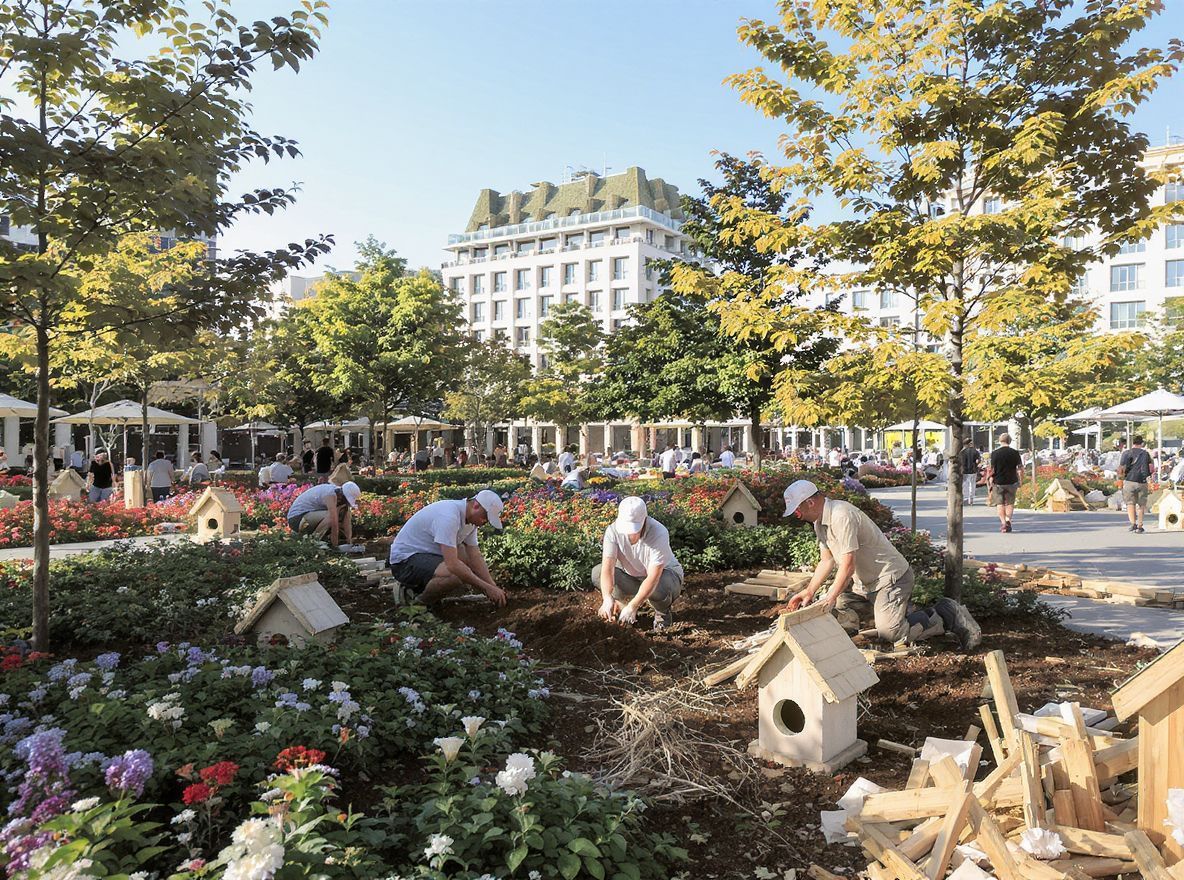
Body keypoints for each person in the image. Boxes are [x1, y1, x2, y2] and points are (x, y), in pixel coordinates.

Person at [781, 480, 981, 649]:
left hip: (891, 579)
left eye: (797, 513)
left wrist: (830, 597)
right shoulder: (819, 523)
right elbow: (827, 560)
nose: (798, 518)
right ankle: (901, 612)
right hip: (867, 584)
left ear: (810, 502)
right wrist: (809, 592)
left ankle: (945, 614)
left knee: (892, 634)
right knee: (842, 608)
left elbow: (848, 566)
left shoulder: (841, 515)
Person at [387, 490, 507, 606]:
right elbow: (453, 565)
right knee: (455, 575)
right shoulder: (449, 516)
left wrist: (493, 587)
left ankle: (424, 589)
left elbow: (474, 556)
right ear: (476, 506)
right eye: (484, 517)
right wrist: (485, 588)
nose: (484, 522)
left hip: (427, 555)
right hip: (404, 562)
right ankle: (418, 603)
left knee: (464, 555)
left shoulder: (470, 521)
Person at [593, 496, 684, 631]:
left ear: (644, 519)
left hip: (666, 578)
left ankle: (662, 614)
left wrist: (633, 606)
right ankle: (623, 606)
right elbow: (608, 568)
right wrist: (607, 598)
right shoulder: (613, 531)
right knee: (597, 573)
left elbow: (653, 577)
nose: (630, 534)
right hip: (633, 577)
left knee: (659, 587)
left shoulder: (658, 532)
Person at [286, 480, 362, 549]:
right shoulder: (330, 495)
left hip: (307, 518)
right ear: (342, 495)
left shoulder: (340, 498)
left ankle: (319, 539)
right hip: (296, 519)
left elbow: (347, 521)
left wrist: (349, 543)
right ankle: (314, 541)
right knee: (331, 517)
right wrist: (335, 547)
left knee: (340, 514)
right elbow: (334, 522)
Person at [987, 434, 1024, 533]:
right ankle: (1008, 520)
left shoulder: (995, 453)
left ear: (999, 441)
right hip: (1012, 481)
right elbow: (1020, 468)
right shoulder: (1015, 453)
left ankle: (1003, 523)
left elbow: (992, 469)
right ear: (1010, 441)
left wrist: (990, 480)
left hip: (998, 482)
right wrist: (1020, 480)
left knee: (1000, 504)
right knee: (1010, 503)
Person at [1118, 434, 1154, 534]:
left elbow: (1121, 468)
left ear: (1132, 443)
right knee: (1142, 505)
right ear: (1142, 443)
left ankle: (1133, 524)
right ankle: (1140, 525)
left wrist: (1120, 479)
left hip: (1129, 481)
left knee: (1130, 503)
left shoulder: (1126, 453)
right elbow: (1151, 468)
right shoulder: (1146, 454)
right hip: (1142, 482)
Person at [960, 437, 982, 506]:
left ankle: (965, 499)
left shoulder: (962, 452)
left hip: (964, 471)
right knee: (972, 485)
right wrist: (976, 464)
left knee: (965, 485)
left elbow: (960, 462)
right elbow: (978, 461)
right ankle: (971, 500)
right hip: (973, 470)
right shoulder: (975, 451)